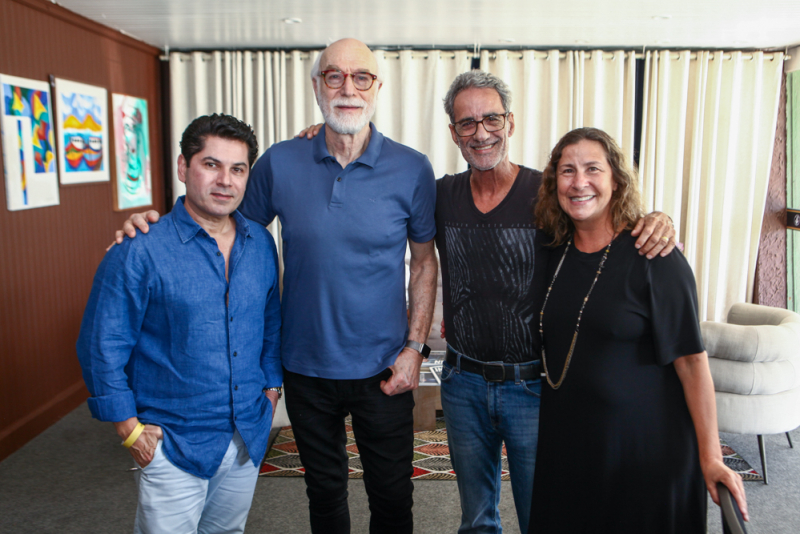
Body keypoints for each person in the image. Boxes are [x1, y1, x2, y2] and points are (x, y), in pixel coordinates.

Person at [296, 70, 677, 534]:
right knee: (476, 520)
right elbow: (375, 187)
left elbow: (599, 215)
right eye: (467, 123)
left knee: (546, 515)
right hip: (463, 385)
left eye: (490, 119)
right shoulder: (440, 194)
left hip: (533, 387)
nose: (480, 133)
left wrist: (653, 219)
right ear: (453, 132)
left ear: (510, 123)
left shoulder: (547, 193)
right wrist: (327, 136)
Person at [113, 39, 439, 534]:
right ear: (316, 86)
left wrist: (416, 347)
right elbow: (222, 226)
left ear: (377, 87)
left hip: (385, 366)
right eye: (334, 76)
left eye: (361, 77)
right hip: (304, 368)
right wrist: (153, 226)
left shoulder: (412, 168)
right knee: (324, 491)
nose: (347, 88)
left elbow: (423, 262)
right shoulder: (280, 163)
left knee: (393, 493)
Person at [529, 127, 747, 533]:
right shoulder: (552, 251)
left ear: (616, 180)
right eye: (567, 171)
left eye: (593, 169)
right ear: (553, 181)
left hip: (644, 454)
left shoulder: (656, 257)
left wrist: (712, 456)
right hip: (570, 444)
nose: (579, 182)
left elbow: (692, 362)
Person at [77, 114, 282, 533]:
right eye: (211, 164)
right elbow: (101, 345)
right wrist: (129, 430)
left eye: (237, 169)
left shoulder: (260, 242)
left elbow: (270, 323)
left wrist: (271, 389)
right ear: (182, 167)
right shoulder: (140, 249)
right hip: (172, 441)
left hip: (247, 434)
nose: (225, 180)